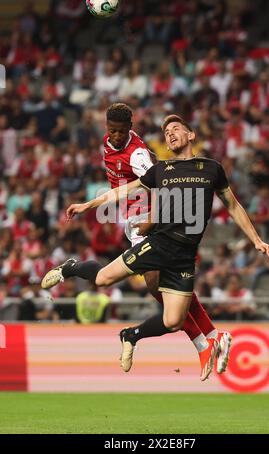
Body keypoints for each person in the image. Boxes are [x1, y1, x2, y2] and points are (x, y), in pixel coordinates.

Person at [41, 115, 269, 380]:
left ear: (191, 135)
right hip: (158, 245)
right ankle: (73, 267)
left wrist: (257, 240)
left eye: (176, 129)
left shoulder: (212, 168)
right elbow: (123, 190)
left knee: (173, 321)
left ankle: (132, 334)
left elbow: (233, 205)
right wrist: (87, 205)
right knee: (102, 279)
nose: (170, 133)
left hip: (185, 256)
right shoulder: (162, 170)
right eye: (166, 132)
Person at [102, 103, 232, 379]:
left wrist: (153, 221)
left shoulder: (138, 155)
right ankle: (210, 337)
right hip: (135, 224)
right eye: (111, 130)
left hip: (153, 225)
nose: (114, 136)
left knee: (159, 287)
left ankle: (204, 341)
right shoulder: (109, 142)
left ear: (129, 128)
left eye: (119, 131)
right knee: (164, 289)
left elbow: (166, 184)